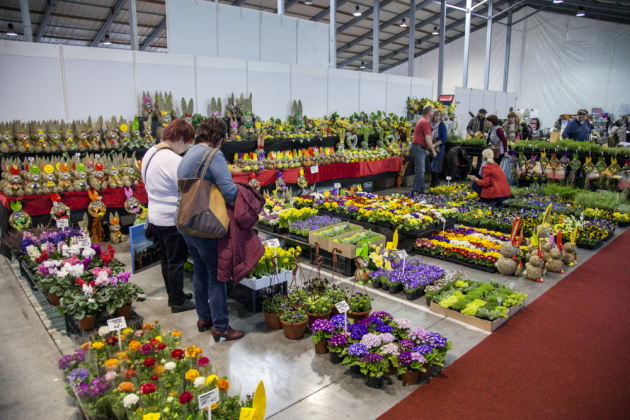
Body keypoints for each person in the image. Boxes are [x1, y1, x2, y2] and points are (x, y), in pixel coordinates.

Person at [177, 117, 244, 341]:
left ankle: (203, 318)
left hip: (188, 222)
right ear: (220, 139)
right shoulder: (213, 155)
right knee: (217, 276)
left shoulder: (188, 154)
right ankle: (221, 327)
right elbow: (229, 192)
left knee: (199, 270)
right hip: (207, 225)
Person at [142, 119, 195, 313]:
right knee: (176, 261)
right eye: (188, 142)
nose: (187, 147)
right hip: (171, 218)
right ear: (180, 139)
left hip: (155, 215)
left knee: (166, 259)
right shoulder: (173, 160)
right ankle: (178, 302)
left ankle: (174, 294)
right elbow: (186, 188)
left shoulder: (150, 153)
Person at [410, 105, 438, 194]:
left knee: (421, 171)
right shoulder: (425, 122)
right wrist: (433, 150)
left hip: (418, 148)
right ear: (429, 112)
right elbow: (427, 138)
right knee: (420, 171)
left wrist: (425, 148)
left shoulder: (422, 121)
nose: (433, 113)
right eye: (433, 111)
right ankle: (416, 190)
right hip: (418, 149)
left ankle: (420, 190)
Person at [430, 110, 447, 188]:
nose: (437, 117)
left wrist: (435, 145)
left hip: (439, 147)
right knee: (431, 164)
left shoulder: (441, 125)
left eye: (439, 115)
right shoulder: (429, 124)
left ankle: (433, 184)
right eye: (436, 115)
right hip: (430, 146)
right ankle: (436, 180)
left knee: (434, 164)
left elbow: (444, 138)